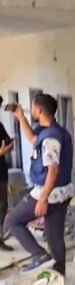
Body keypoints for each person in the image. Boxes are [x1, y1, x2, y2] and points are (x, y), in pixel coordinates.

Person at [7, 94, 73, 274]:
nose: (32, 111)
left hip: (49, 192)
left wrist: (43, 199)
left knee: (13, 221)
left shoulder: (51, 139)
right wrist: (20, 116)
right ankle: (58, 278)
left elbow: (53, 170)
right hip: (63, 192)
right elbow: (33, 139)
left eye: (33, 108)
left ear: (40, 111)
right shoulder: (53, 131)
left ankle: (40, 255)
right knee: (54, 237)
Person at [0, 96, 15, 251]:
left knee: (2, 206)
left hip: (1, 173)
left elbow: (8, 142)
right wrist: (1, 152)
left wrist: (10, 146)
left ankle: (0, 239)